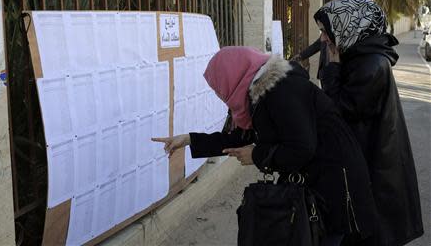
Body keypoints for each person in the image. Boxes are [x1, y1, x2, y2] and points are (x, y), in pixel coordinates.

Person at [153, 46, 377, 246]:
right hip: (320, 179)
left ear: (233, 76)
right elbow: (238, 137)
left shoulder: (281, 90)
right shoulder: (261, 94)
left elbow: (302, 147)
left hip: (336, 183)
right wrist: (190, 139)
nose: (219, 94)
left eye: (218, 86)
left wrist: (257, 155)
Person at [314, 0, 424, 246]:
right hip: (368, 167)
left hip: (377, 175)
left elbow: (338, 112)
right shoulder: (357, 56)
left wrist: (331, 69)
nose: (322, 38)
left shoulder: (371, 65)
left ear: (349, 25)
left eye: (325, 31)